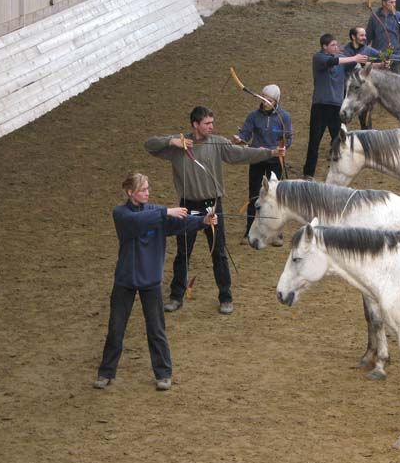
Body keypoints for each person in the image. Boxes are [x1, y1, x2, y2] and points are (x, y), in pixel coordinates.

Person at [145, 106, 285, 315]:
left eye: (212, 123)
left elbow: (242, 154)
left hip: (212, 205)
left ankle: (225, 296)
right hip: (189, 206)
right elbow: (149, 145)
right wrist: (171, 141)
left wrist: (271, 152)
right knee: (184, 252)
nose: (212, 127)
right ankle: (176, 296)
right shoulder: (179, 144)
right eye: (207, 123)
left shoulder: (217, 143)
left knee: (218, 252)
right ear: (195, 124)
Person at [93, 172, 217, 391]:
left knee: (156, 329)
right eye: (143, 190)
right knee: (116, 328)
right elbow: (138, 221)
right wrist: (167, 211)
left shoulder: (155, 212)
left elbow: (179, 224)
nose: (147, 193)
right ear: (130, 192)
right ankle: (106, 372)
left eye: (148, 189)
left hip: (150, 281)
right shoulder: (121, 214)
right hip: (125, 280)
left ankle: (163, 373)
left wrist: (203, 222)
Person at [302, 34, 368, 179]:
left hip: (336, 108)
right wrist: (354, 58)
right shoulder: (318, 58)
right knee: (314, 141)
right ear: (324, 46)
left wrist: (381, 64)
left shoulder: (343, 62)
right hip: (320, 106)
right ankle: (308, 173)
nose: (336, 47)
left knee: (340, 140)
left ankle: (342, 169)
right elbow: (334, 61)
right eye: (333, 45)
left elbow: (361, 66)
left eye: (337, 45)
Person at [233, 84, 293, 239]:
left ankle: (277, 231)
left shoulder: (284, 117)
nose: (265, 101)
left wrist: (283, 146)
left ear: (276, 101)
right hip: (257, 158)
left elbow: (288, 138)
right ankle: (250, 228)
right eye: (263, 98)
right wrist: (239, 139)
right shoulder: (253, 116)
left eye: (269, 100)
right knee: (254, 194)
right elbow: (245, 134)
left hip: (275, 161)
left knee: (275, 196)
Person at [342, 27, 388, 129]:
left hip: (362, 91)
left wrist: (393, 54)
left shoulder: (367, 49)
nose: (364, 38)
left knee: (366, 123)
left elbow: (384, 56)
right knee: (343, 119)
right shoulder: (345, 51)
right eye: (361, 35)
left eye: (365, 35)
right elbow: (347, 65)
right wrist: (360, 61)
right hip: (347, 91)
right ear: (353, 37)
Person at [365, 0, 400, 74]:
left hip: (394, 55)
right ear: (384, 3)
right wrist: (361, 49)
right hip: (379, 55)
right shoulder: (374, 17)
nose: (394, 5)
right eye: (391, 2)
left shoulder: (398, 16)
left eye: (394, 2)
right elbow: (368, 36)